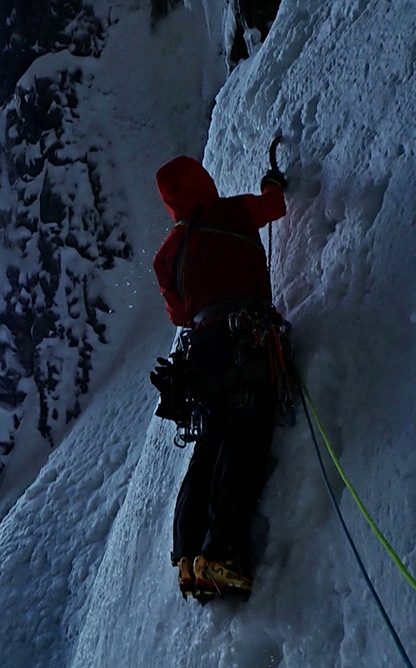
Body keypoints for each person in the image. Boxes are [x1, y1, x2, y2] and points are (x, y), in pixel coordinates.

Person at [151, 154, 289, 602]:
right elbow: (274, 207)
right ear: (202, 183)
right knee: (244, 438)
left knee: (212, 444)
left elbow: (179, 312)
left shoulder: (167, 254)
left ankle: (190, 558)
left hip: (203, 354)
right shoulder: (230, 212)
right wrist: (271, 182)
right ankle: (224, 555)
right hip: (244, 338)